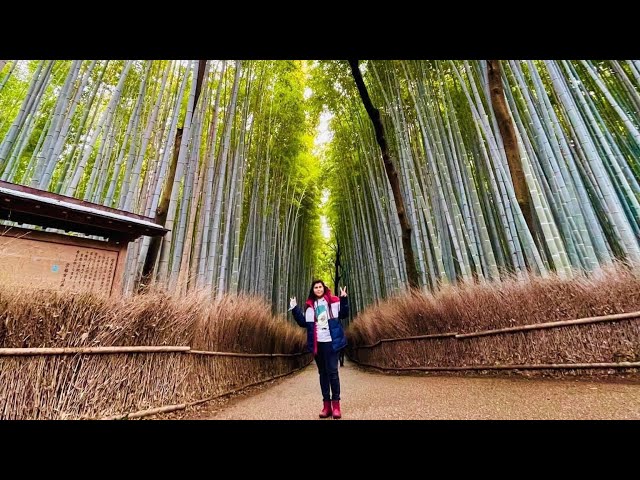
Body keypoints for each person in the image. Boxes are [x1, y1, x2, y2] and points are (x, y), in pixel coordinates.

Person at [289, 279, 348, 419]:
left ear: (324, 288)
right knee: (323, 373)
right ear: (313, 290)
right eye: (316, 287)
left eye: (320, 286)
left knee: (333, 372)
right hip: (318, 343)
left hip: (331, 342)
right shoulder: (310, 306)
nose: (318, 289)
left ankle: (336, 406)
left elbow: (344, 314)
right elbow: (304, 323)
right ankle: (326, 406)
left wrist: (344, 299)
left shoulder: (333, 302)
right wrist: (295, 309)